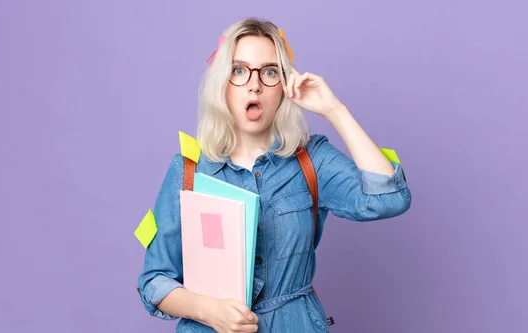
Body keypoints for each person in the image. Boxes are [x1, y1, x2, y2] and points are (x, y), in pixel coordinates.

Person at [137, 17, 412, 333]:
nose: (254, 84)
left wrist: (333, 109)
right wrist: (208, 310)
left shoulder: (312, 159)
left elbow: (390, 199)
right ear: (221, 85)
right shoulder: (187, 171)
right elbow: (154, 281)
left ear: (283, 86)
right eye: (239, 71)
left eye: (269, 72)